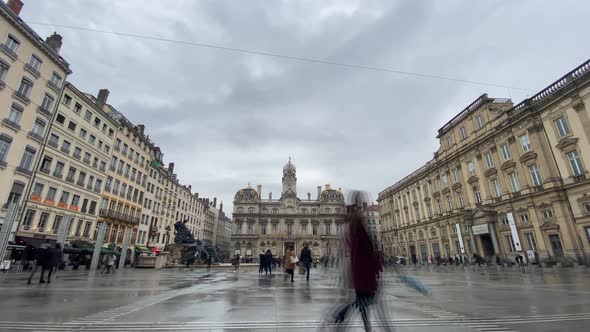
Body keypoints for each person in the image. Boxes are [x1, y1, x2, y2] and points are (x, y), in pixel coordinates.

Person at [334, 202, 380, 332]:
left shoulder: (345, 228)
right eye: (358, 211)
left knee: (359, 299)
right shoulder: (354, 229)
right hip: (356, 266)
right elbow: (361, 250)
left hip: (350, 266)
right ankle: (342, 314)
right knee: (360, 299)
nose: (361, 214)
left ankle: (364, 325)